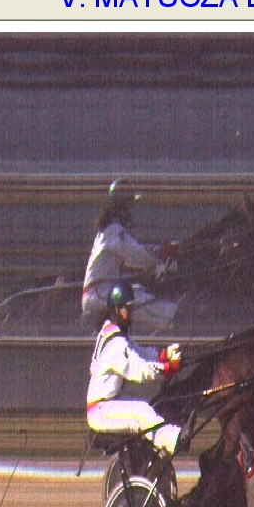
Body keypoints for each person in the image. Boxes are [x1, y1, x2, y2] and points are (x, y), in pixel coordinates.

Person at [86, 281, 185, 454]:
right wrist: (168, 368)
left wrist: (164, 355)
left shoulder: (112, 333)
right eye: (128, 308)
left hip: (106, 406)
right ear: (117, 308)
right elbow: (138, 370)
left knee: (144, 409)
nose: (131, 313)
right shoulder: (115, 343)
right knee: (141, 412)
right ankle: (175, 440)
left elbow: (139, 352)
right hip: (101, 410)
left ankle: (156, 448)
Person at [81, 179, 165, 326]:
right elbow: (137, 254)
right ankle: (174, 319)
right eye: (129, 207)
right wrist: (163, 253)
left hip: (103, 290)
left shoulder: (110, 229)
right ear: (122, 208)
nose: (131, 213)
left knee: (139, 290)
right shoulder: (114, 229)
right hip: (99, 292)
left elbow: (131, 259)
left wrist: (156, 260)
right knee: (139, 300)